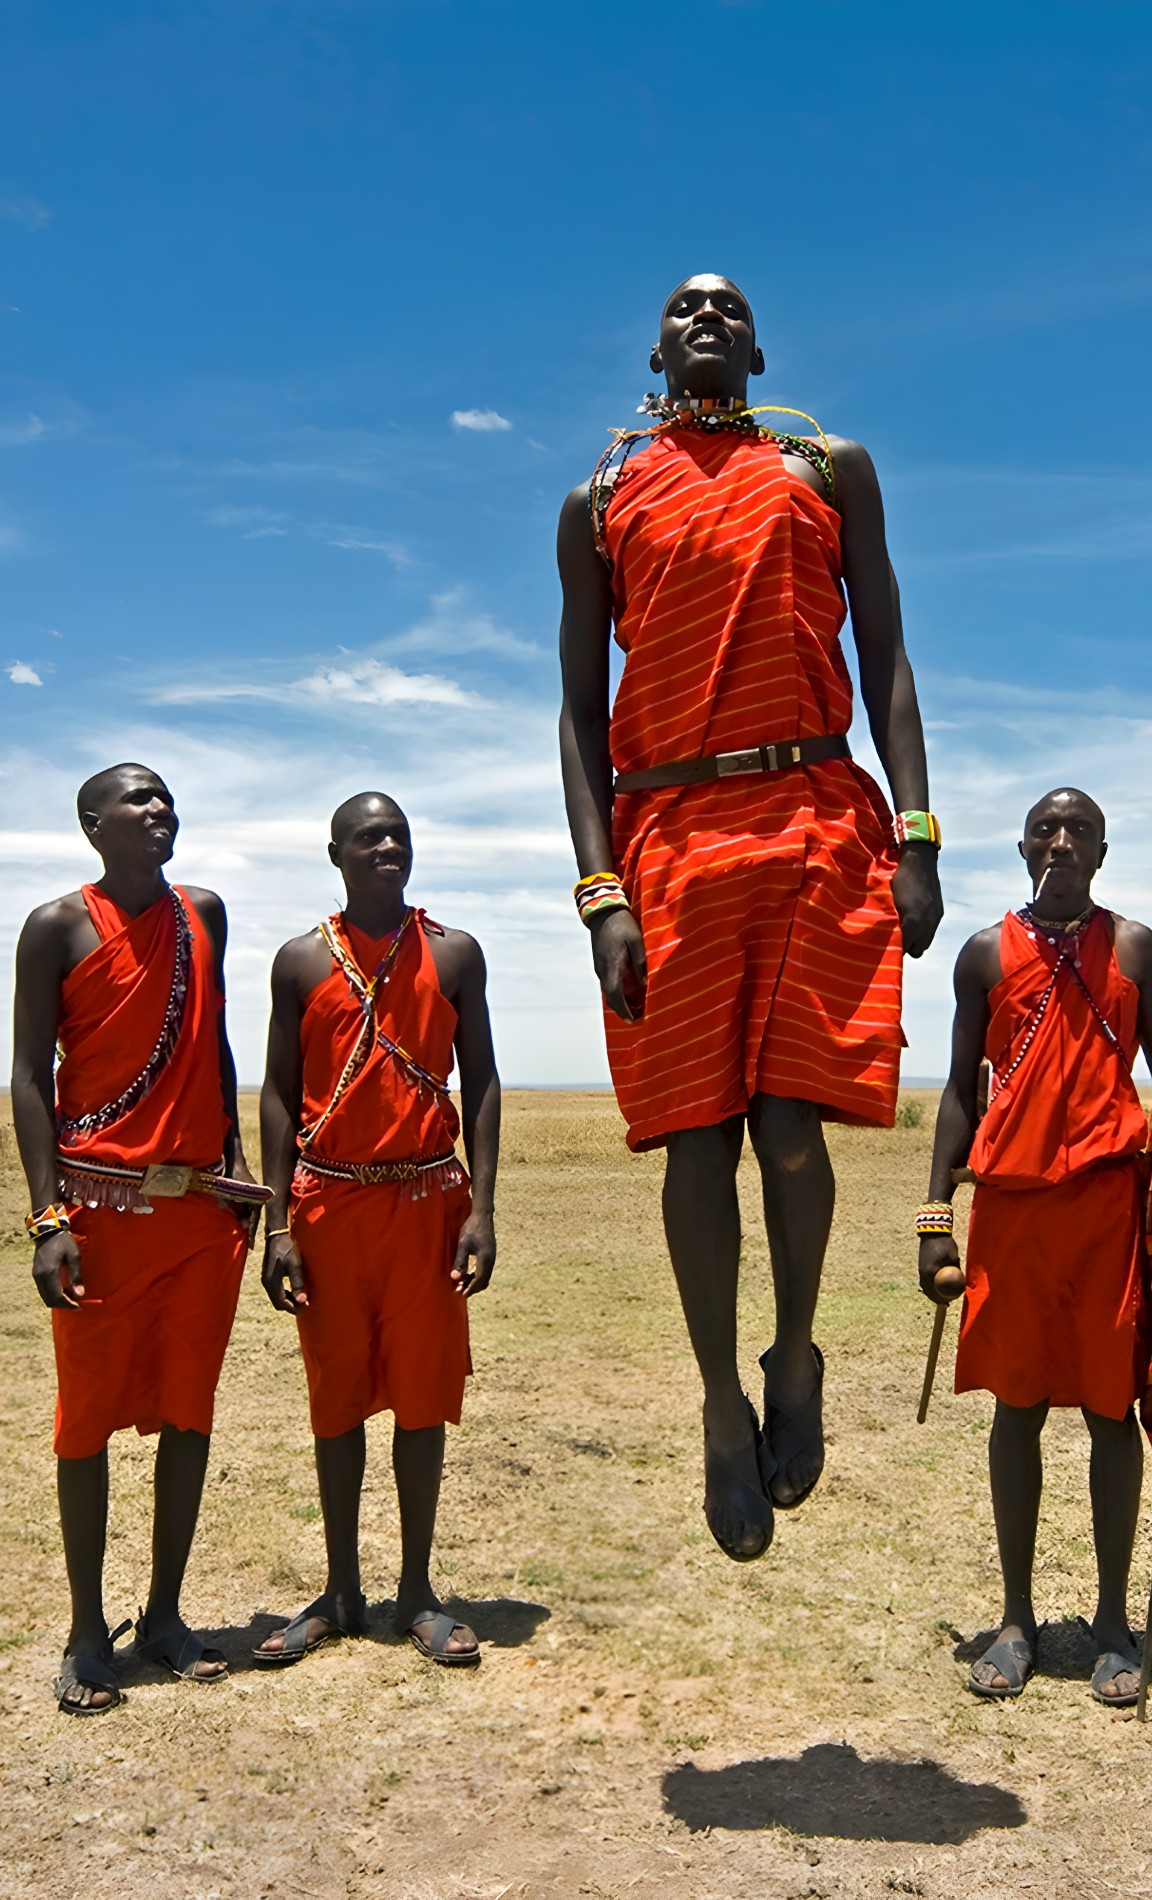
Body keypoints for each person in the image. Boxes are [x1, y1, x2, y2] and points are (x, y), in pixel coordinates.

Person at [558, 274, 943, 1561]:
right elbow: (575, 711)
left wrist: (917, 828)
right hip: (665, 837)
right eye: (683, 307)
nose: (707, 315)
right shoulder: (601, 498)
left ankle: (793, 1351)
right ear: (656, 349)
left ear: (760, 344)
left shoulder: (828, 467)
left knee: (790, 1126)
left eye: (728, 305)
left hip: (815, 816)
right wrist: (599, 887)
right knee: (693, 1142)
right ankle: (720, 1402)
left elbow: (886, 652)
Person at [918, 787, 1152, 1706]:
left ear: (1101, 852)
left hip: (1108, 1209)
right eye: (1046, 830)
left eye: (1080, 831)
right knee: (1014, 1409)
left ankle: (1109, 1622)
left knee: (1107, 1411)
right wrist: (934, 1220)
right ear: (1022, 849)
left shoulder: (1134, 949)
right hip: (1011, 1212)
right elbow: (955, 1094)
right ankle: (1015, 1620)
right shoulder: (985, 954)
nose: (1062, 842)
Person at [11, 764, 263, 1714]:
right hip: (99, 1218)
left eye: (166, 796)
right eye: (138, 798)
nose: (160, 809)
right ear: (92, 823)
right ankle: (85, 1633)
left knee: (189, 1412)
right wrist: (46, 1219)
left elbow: (216, 1043)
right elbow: (29, 1076)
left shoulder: (205, 913)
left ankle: (163, 1616)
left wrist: (236, 1161)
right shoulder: (55, 928)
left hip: (200, 1216)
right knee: (85, 1424)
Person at [255, 793, 499, 1667]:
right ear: (336, 854)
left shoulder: (454, 954)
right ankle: (341, 1589)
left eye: (399, 834)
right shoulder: (296, 963)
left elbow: (484, 1086)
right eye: (369, 837)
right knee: (337, 1399)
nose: (388, 846)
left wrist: (484, 1208)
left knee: (421, 1399)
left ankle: (419, 1594)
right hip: (327, 1211)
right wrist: (276, 1223)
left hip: (430, 1206)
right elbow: (279, 1095)